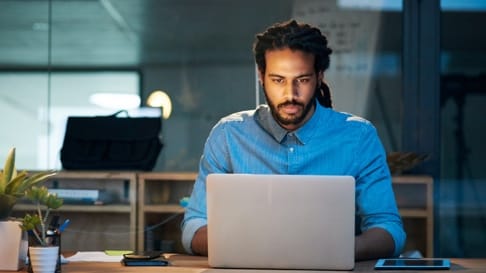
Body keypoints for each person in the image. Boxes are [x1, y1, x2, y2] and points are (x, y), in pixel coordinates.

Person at [181, 19, 406, 261]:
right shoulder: (228, 135)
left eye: (302, 80)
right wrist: (247, 245)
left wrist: (338, 250)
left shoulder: (359, 137)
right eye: (278, 80)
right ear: (261, 75)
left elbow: (390, 230)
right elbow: (193, 227)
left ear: (319, 77)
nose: (290, 94)